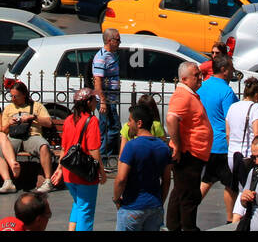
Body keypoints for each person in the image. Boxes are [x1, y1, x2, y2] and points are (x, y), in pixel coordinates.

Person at [165, 60, 213, 231]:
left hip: (194, 153)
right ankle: (188, 227)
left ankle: (175, 225)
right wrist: (177, 146)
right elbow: (171, 119)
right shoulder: (182, 95)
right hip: (188, 153)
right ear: (184, 79)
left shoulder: (189, 94)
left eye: (200, 74)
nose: (200, 78)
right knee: (189, 195)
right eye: (196, 75)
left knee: (180, 192)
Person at [113, 99, 172, 231]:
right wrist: (160, 202)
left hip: (132, 206)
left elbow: (121, 179)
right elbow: (167, 181)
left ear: (139, 123)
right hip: (155, 206)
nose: (128, 124)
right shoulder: (164, 148)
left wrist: (116, 199)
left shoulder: (131, 146)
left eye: (130, 121)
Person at [52, 89, 105, 231]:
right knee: (86, 211)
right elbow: (94, 150)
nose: (96, 102)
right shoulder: (92, 121)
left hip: (70, 172)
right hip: (84, 174)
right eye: (94, 99)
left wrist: (59, 169)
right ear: (88, 102)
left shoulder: (69, 120)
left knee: (78, 204)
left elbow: (64, 148)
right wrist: (102, 171)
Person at [198, 53, 240, 223]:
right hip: (223, 144)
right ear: (223, 70)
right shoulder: (226, 91)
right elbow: (231, 118)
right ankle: (231, 219)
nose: (232, 72)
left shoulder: (202, 88)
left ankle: (187, 210)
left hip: (207, 144)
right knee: (231, 184)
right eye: (230, 69)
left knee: (207, 179)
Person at [1, 81, 56, 194]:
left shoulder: (36, 106)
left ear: (24, 95)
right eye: (11, 96)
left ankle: (48, 181)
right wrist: (9, 123)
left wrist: (33, 117)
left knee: (44, 146)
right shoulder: (9, 108)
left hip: (32, 136)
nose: (13, 99)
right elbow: (3, 130)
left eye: (15, 96)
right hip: (14, 136)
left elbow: (49, 123)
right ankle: (7, 182)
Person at [225, 77, 258, 190]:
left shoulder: (232, 107)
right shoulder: (256, 108)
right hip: (248, 157)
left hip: (233, 156)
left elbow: (228, 134)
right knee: (252, 191)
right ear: (257, 95)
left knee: (241, 191)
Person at [92, 27, 121, 164]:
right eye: (118, 40)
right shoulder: (101, 57)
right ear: (110, 40)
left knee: (110, 126)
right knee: (110, 127)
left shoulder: (112, 54)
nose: (120, 42)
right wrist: (103, 101)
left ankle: (105, 157)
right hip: (106, 98)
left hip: (111, 97)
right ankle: (104, 158)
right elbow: (97, 81)